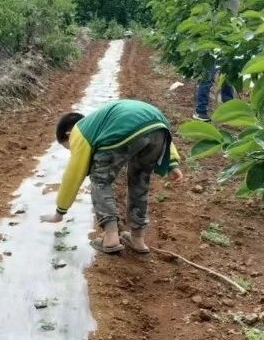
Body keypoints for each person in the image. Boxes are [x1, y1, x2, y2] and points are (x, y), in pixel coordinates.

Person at [43, 99, 183, 255]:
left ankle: (110, 238)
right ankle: (138, 239)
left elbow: (73, 174)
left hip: (127, 129)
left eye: (67, 147)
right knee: (139, 182)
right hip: (159, 127)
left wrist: (60, 211)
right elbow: (150, 125)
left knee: (100, 180)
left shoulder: (79, 131)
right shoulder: (97, 123)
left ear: (68, 134)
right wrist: (172, 163)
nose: (71, 150)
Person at [194, 0, 246, 121]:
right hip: (214, 35)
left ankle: (228, 109)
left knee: (228, 74)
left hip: (230, 35)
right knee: (209, 74)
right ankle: (200, 111)